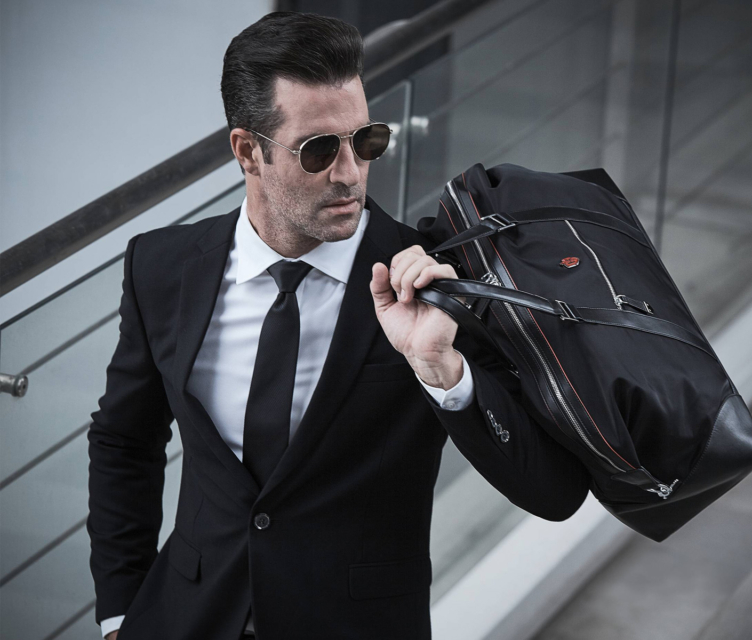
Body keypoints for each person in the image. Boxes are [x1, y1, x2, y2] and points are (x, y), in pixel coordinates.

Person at [87, 11, 590, 640]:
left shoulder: (438, 286)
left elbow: (554, 493)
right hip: (185, 618)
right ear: (248, 152)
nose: (350, 172)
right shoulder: (161, 268)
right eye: (319, 149)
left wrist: (445, 371)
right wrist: (119, 613)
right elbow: (124, 441)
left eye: (366, 140)